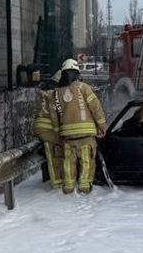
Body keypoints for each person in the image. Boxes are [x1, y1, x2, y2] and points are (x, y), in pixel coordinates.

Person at [53, 58, 108, 194]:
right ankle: (84, 188)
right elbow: (96, 107)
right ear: (77, 73)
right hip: (86, 136)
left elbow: (56, 114)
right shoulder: (84, 87)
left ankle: (68, 189)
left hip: (68, 137)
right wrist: (102, 126)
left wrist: (57, 133)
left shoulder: (57, 92)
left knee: (68, 164)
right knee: (86, 162)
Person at [33, 70, 63, 190]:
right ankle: (56, 185)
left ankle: (53, 180)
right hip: (48, 127)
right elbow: (54, 112)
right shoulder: (53, 92)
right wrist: (57, 128)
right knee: (52, 155)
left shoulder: (46, 88)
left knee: (50, 154)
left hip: (42, 126)